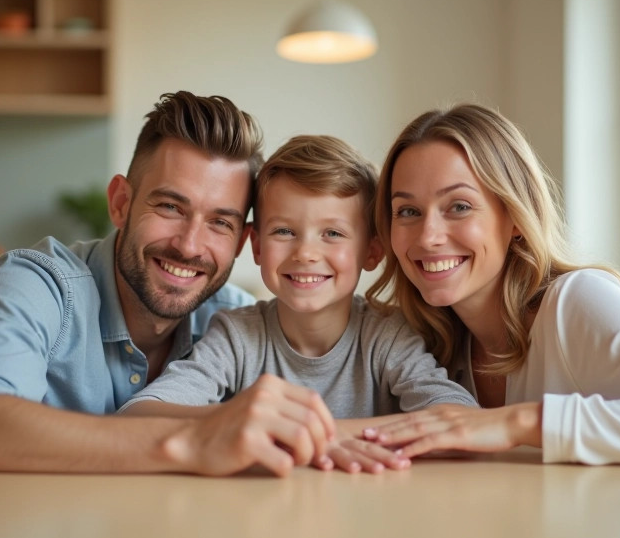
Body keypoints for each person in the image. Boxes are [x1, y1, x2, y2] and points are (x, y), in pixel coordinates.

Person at [0, 92, 346, 495]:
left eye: (220, 222)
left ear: (244, 239)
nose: (190, 245)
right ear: (120, 203)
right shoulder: (37, 283)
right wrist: (194, 439)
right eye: (170, 207)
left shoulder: (236, 321)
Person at [362, 103, 620, 466]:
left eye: (460, 206)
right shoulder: (428, 341)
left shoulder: (577, 301)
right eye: (408, 211)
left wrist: (518, 422)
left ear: (515, 218)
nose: (428, 236)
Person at [120, 135, 478, 473]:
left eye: (332, 234)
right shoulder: (236, 335)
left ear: (371, 251)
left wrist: (318, 434)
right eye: (284, 231)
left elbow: (461, 418)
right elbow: (139, 415)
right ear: (257, 247)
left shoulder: (387, 335)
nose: (306, 253)